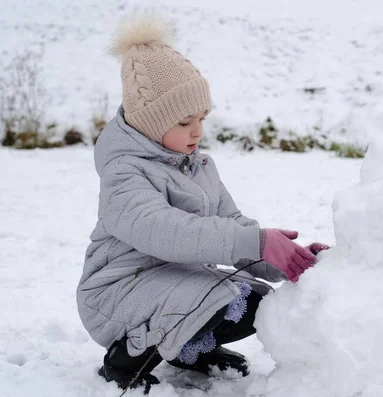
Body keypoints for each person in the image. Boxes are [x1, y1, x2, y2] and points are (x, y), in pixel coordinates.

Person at [76, 12, 328, 394]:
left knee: (256, 299)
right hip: (117, 294)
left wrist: (285, 258)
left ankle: (189, 350)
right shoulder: (124, 174)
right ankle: (127, 357)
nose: (197, 130)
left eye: (201, 118)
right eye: (182, 122)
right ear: (149, 123)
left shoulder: (200, 168)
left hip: (170, 285)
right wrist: (254, 240)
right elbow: (161, 231)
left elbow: (233, 225)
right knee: (215, 296)